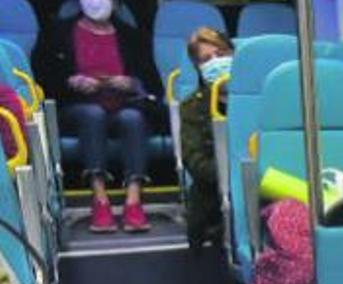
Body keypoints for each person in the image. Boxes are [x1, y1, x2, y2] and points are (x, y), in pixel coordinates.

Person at [46, 0, 162, 233]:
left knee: (133, 119)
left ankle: (133, 200)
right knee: (93, 114)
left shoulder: (132, 35)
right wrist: (72, 81)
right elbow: (44, 79)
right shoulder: (57, 32)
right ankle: (100, 200)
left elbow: (152, 84)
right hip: (78, 106)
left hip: (124, 103)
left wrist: (130, 83)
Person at [179, 27, 233, 249]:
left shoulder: (260, 98)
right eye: (206, 59)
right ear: (198, 68)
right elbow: (196, 163)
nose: (215, 62)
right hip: (212, 200)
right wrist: (234, 176)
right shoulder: (192, 107)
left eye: (220, 55)